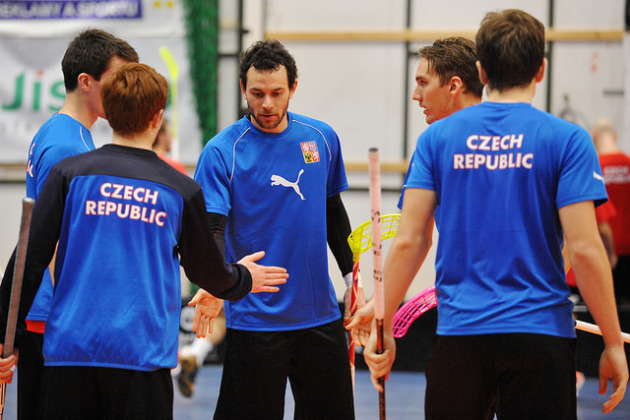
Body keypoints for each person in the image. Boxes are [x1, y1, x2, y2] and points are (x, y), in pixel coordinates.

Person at [363, 9, 628, 418]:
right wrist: (611, 343)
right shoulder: (569, 140)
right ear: (540, 70)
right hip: (541, 339)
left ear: (481, 71)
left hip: (462, 338)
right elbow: (586, 249)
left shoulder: (436, 138)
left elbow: (412, 241)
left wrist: (386, 321)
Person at [0, 62, 288, 419]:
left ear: (110, 113)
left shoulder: (68, 174)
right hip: (141, 359)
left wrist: (4, 333)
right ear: (157, 117)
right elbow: (206, 271)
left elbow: (27, 259)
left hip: (70, 355)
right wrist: (244, 277)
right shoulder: (180, 189)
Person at [193, 39, 360, 419]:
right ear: (243, 89)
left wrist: (353, 277)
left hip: (320, 316)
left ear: (293, 89)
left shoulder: (320, 138)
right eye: (257, 93)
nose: (267, 104)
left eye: (276, 93)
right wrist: (219, 285)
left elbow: (332, 211)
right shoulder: (222, 151)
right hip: (255, 318)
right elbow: (212, 229)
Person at [4, 28, 139, 420]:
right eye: (118, 80)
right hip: (55, 318)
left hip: (54, 315)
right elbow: (52, 240)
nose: (125, 90)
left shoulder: (68, 133)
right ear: (86, 82)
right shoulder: (67, 145)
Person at [346, 36, 483, 345]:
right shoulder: (535, 136)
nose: (415, 95)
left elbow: (413, 239)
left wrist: (383, 315)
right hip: (535, 320)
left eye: (423, 83)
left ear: (454, 86)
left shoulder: (434, 142)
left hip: (465, 320)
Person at [591, 118, 630, 303]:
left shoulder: (594, 168)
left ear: (594, 137)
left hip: (604, 250)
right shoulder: (628, 163)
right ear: (615, 135)